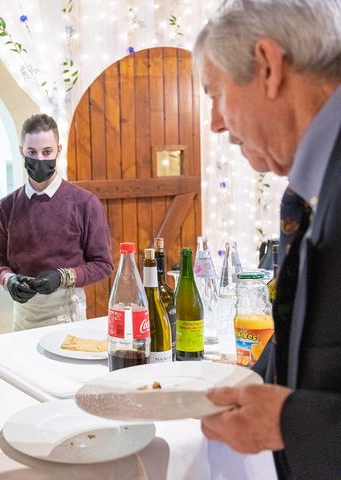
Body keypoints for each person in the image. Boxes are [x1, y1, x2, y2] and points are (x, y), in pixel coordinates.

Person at [193, 1, 341, 478]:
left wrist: (291, 422)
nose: (215, 122)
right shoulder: (316, 184)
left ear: (269, 67)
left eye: (215, 94)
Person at [0, 113, 113, 330]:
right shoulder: (7, 206)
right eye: (32, 152)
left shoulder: (85, 203)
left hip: (66, 311)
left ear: (58, 149)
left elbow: (103, 265)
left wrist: (62, 276)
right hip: (23, 314)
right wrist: (9, 280)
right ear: (22, 152)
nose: (39, 159)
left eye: (46, 152)